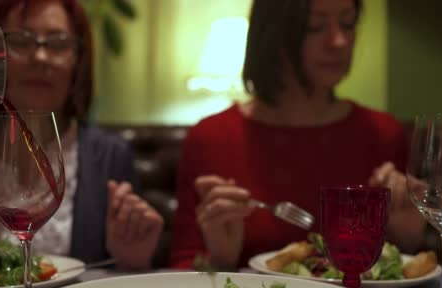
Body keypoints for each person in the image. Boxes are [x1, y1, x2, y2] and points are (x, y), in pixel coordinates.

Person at [0, 0, 163, 270]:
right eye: (21, 40)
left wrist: (132, 258)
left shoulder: (111, 157)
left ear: (78, 60)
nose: (40, 57)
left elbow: (122, 281)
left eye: (58, 43)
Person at [170, 0, 426, 270]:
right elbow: (183, 264)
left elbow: (402, 273)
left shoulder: (384, 133)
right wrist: (221, 259)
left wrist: (407, 237)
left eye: (348, 23)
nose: (339, 41)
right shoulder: (211, 137)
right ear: (273, 34)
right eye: (314, 27)